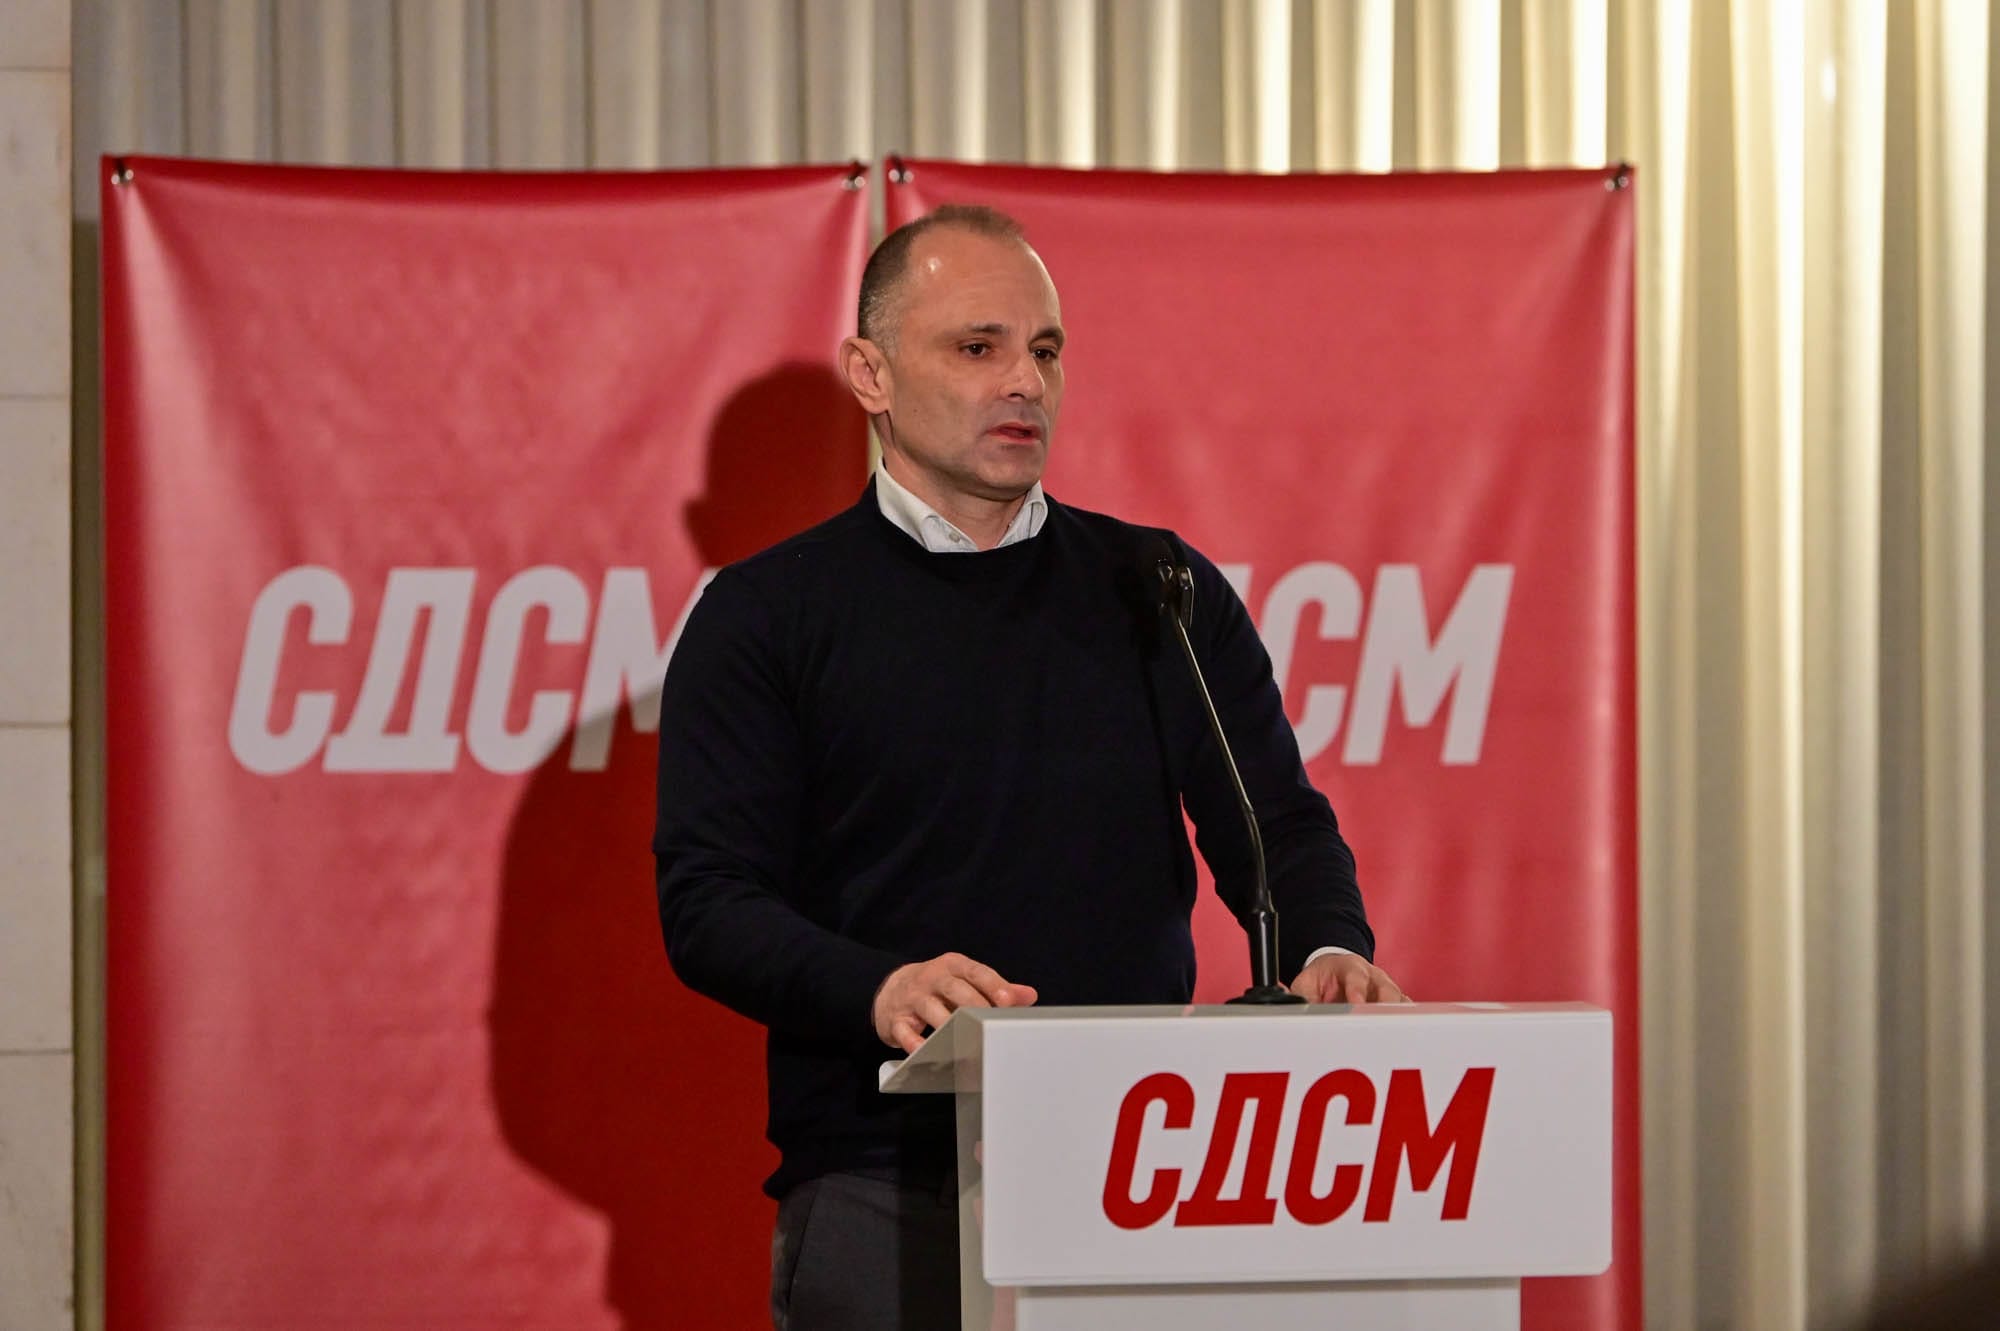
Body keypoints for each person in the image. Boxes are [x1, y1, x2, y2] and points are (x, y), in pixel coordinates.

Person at [652, 204, 1405, 1330]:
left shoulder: (1157, 589)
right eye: (978, 346)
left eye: (1045, 351)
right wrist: (880, 986)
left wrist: (1330, 946)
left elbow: (1276, 824)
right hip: (883, 1183)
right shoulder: (766, 616)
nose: (1024, 382)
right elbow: (709, 901)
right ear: (870, 373)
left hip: (1142, 1171)